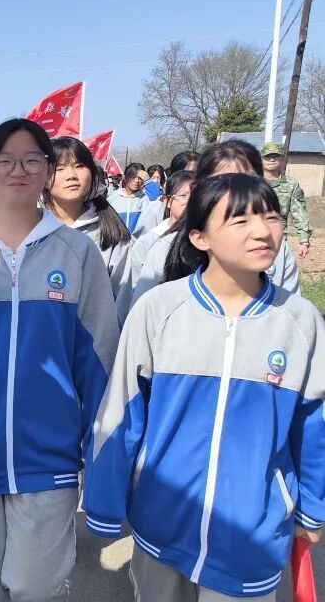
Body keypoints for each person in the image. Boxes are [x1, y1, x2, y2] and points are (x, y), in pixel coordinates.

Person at [84, 173, 325, 601]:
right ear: (199, 237)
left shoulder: (301, 321)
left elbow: (313, 427)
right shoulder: (158, 309)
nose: (262, 231)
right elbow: (122, 412)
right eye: (240, 221)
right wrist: (104, 500)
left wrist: (311, 507)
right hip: (163, 519)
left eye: (271, 218)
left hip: (252, 532)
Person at [0, 118, 120, 602]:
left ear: (48, 171)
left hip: (48, 454)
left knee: (37, 585)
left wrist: (101, 452)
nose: (18, 169)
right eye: (4, 160)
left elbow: (100, 357)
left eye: (32, 159)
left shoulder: (77, 252)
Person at [133, 140, 301, 305]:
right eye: (221, 183)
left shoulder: (275, 249)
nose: (237, 194)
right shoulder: (164, 247)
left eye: (247, 181)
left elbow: (292, 312)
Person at [42, 137, 135, 325]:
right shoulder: (29, 229)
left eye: (79, 166)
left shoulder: (113, 235)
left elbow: (122, 302)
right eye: (59, 168)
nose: (71, 175)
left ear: (92, 173)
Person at [130, 170, 193, 281]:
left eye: (196, 195)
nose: (190, 201)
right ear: (167, 201)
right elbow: (132, 284)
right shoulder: (149, 240)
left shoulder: (206, 240)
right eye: (183, 195)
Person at [261, 141, 312, 258]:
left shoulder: (291, 184)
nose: (272, 160)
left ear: (282, 159)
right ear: (260, 159)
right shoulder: (251, 182)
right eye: (267, 156)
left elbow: (300, 213)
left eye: (275, 156)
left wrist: (304, 241)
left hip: (278, 240)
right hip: (251, 238)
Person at [106, 162, 149, 236]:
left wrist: (148, 179)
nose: (137, 181)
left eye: (140, 178)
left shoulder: (145, 199)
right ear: (125, 177)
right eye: (133, 177)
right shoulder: (112, 199)